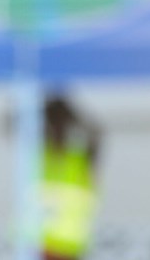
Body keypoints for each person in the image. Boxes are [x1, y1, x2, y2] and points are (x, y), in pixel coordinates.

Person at [39, 93, 101, 260]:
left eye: (62, 123)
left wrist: (73, 116)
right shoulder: (37, 158)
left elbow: (96, 134)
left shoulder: (79, 159)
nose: (58, 128)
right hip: (40, 247)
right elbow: (13, 123)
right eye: (54, 123)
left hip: (70, 249)